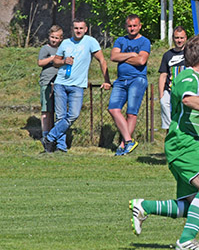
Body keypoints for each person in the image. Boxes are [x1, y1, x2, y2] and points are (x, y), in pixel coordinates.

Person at [129, 34, 199, 250]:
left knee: (191, 204)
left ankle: (144, 206)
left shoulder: (195, 80)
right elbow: (187, 99)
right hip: (184, 145)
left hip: (188, 141)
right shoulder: (189, 76)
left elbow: (186, 119)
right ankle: (186, 241)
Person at [42, 19, 111, 153]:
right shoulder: (65, 43)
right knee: (60, 117)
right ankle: (60, 147)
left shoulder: (91, 42)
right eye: (76, 28)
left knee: (73, 114)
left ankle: (50, 137)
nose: (78, 30)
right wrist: (63, 61)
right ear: (72, 29)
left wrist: (107, 80)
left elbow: (102, 60)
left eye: (81, 28)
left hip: (78, 85)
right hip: (61, 83)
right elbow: (56, 61)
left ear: (85, 29)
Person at [109, 14, 151, 155]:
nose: (132, 28)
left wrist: (123, 57)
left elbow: (141, 61)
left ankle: (123, 145)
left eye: (135, 26)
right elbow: (113, 56)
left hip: (137, 79)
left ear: (139, 26)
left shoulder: (145, 42)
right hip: (121, 81)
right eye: (129, 26)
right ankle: (129, 141)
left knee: (131, 113)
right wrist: (132, 54)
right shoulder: (120, 40)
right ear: (126, 26)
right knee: (113, 109)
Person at [37, 25, 63, 147]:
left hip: (58, 83)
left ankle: (55, 134)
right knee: (46, 110)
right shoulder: (45, 49)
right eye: (52, 37)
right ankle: (45, 133)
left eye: (56, 38)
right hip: (46, 82)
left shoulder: (61, 49)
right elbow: (40, 62)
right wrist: (52, 58)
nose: (54, 40)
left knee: (56, 110)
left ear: (60, 39)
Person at [158, 26, 188, 132]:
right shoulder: (167, 55)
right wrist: (161, 94)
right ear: (173, 38)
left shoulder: (190, 53)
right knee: (164, 103)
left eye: (181, 38)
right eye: (176, 38)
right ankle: (170, 131)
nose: (179, 40)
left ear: (185, 38)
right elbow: (163, 75)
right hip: (170, 89)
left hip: (185, 90)